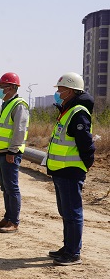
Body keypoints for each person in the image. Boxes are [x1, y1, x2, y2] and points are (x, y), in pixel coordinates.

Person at [46, 72, 95, 266]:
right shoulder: (67, 110)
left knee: (72, 213)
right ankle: (68, 247)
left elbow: (86, 143)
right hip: (61, 169)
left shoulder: (78, 112)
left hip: (70, 170)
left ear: (72, 91)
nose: (58, 93)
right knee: (65, 212)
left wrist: (86, 163)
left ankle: (73, 253)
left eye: (61, 89)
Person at [0, 73, 30, 233]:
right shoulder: (7, 104)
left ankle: (13, 221)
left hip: (10, 153)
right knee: (5, 188)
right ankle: (7, 217)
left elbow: (19, 130)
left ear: (12, 88)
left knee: (12, 188)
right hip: (1, 152)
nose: (0, 90)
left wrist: (13, 151)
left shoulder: (19, 105)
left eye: (3, 87)